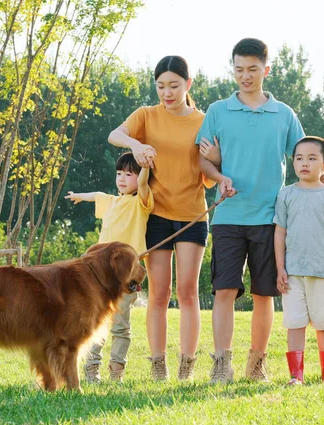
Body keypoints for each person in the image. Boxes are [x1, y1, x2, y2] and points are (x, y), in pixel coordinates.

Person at [197, 38, 324, 384]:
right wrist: (219, 177)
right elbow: (202, 159)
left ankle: (257, 361)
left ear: (266, 69)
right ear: (232, 69)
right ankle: (222, 362)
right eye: (238, 69)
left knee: (264, 293)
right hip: (229, 216)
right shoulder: (218, 111)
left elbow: (309, 157)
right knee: (224, 291)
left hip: (270, 217)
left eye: (252, 69)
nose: (245, 76)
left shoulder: (284, 114)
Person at [108, 55, 215, 381]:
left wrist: (215, 158)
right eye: (161, 86)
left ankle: (186, 366)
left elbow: (210, 171)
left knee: (187, 292)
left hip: (193, 216)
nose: (167, 93)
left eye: (174, 85)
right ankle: (158, 366)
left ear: (188, 85)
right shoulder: (146, 115)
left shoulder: (203, 120)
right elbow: (115, 134)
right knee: (157, 293)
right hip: (155, 214)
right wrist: (135, 144)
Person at [65, 152, 153, 383]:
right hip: (100, 277)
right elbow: (97, 195)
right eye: (119, 173)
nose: (122, 178)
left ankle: (117, 371)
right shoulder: (112, 201)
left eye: (128, 174)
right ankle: (92, 369)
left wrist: (145, 164)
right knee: (95, 321)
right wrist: (79, 196)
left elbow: (143, 183)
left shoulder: (141, 202)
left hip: (125, 277)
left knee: (121, 326)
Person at [274, 136, 324, 385]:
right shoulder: (285, 195)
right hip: (293, 273)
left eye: (312, 158)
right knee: (295, 323)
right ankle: (296, 376)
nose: (304, 163)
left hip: (323, 272)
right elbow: (280, 232)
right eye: (299, 158)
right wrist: (280, 268)